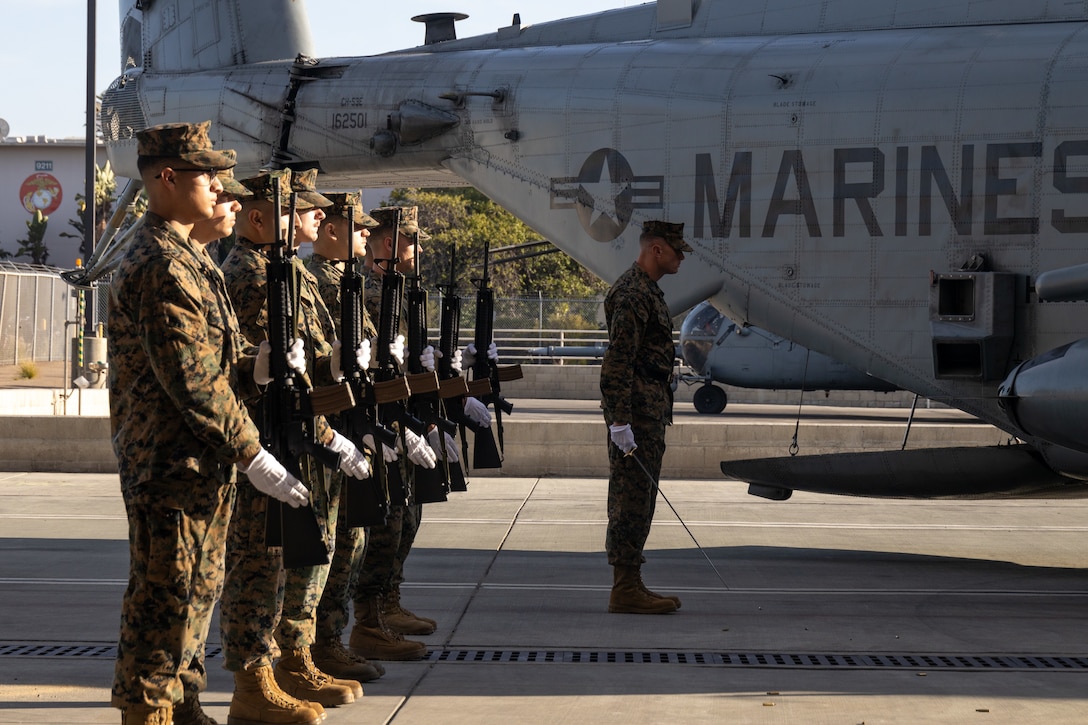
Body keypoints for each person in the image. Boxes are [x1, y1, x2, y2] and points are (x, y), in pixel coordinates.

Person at [108, 121, 308, 725]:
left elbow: (210, 361)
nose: (223, 187)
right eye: (209, 175)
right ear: (168, 179)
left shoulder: (189, 260)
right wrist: (254, 453)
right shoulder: (161, 265)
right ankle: (150, 714)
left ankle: (186, 707)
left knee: (193, 598)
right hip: (171, 465)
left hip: (198, 464)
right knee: (165, 605)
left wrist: (258, 364)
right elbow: (193, 383)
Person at [219, 169, 372, 725]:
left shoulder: (282, 274)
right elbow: (261, 377)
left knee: (289, 559)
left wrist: (335, 366)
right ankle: (256, 679)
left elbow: (305, 360)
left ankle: (292, 657)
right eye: (297, 209)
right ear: (262, 218)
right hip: (268, 439)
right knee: (259, 564)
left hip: (298, 435)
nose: (312, 217)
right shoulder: (252, 276)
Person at [303, 191, 389, 682]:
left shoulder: (343, 281)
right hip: (330, 426)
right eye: (359, 229)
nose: (367, 237)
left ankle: (330, 638)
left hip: (350, 422)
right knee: (331, 542)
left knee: (350, 538)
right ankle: (319, 643)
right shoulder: (320, 281)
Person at [347, 205, 439, 661]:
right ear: (390, 244)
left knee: (406, 519)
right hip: (379, 427)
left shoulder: (398, 292)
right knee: (386, 524)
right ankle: (370, 616)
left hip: (401, 420)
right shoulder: (371, 294)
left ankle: (387, 603)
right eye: (412, 241)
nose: (418, 250)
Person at [600, 219, 691, 615]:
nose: (681, 257)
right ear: (656, 249)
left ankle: (632, 582)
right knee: (630, 499)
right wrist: (620, 421)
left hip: (648, 409)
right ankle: (625, 587)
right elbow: (618, 362)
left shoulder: (647, 291)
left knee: (641, 497)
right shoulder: (633, 294)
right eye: (676, 250)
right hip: (635, 413)